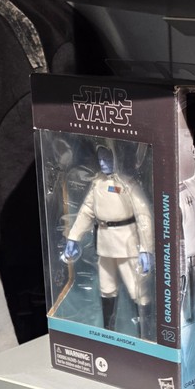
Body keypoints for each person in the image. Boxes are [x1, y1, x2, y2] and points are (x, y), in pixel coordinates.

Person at [62, 144, 154, 339]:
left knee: (137, 289)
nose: (103, 163)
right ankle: (108, 332)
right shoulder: (97, 183)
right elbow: (86, 211)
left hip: (127, 244)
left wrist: (146, 248)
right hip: (104, 244)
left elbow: (144, 216)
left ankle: (146, 334)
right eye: (101, 158)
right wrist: (73, 237)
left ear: (117, 158)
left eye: (108, 158)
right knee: (106, 289)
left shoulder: (128, 184)